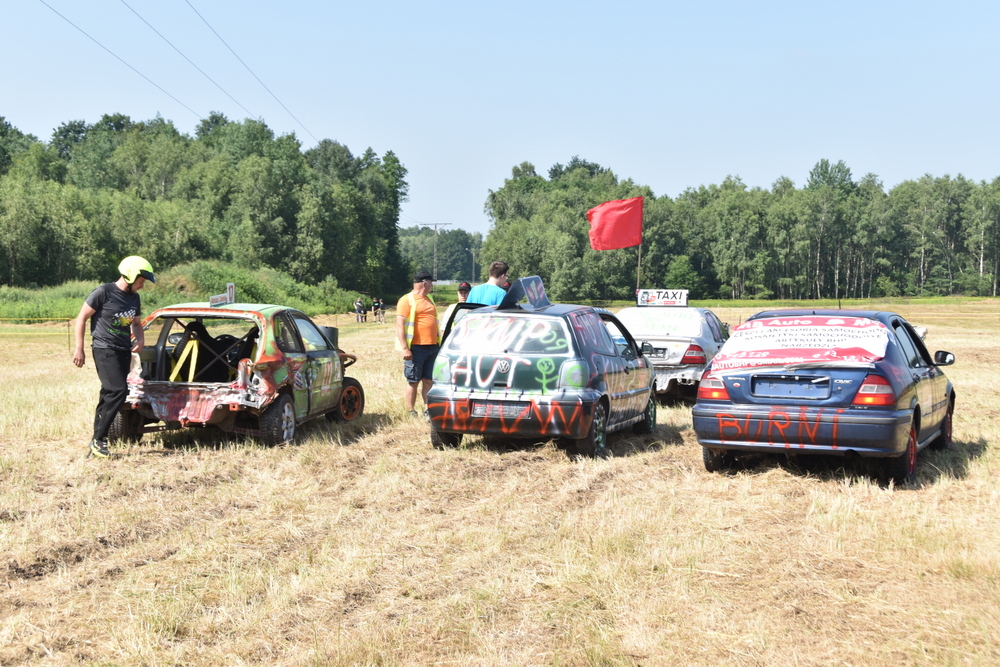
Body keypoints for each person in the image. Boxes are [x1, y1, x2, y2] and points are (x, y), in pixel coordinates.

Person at [73, 256, 155, 459]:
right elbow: (81, 318)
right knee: (119, 390)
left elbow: (136, 323)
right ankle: (99, 440)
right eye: (141, 282)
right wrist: (79, 349)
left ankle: (96, 441)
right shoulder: (103, 293)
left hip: (123, 350)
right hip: (104, 348)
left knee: (108, 393)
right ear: (131, 275)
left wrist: (141, 339)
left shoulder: (134, 298)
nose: (141, 286)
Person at [396, 271, 440, 419]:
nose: (432, 286)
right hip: (416, 348)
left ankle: (428, 410)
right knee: (413, 380)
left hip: (433, 346)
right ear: (425, 283)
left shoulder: (429, 298)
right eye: (431, 283)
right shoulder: (406, 300)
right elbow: (400, 325)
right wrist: (404, 348)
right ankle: (411, 411)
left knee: (429, 380)